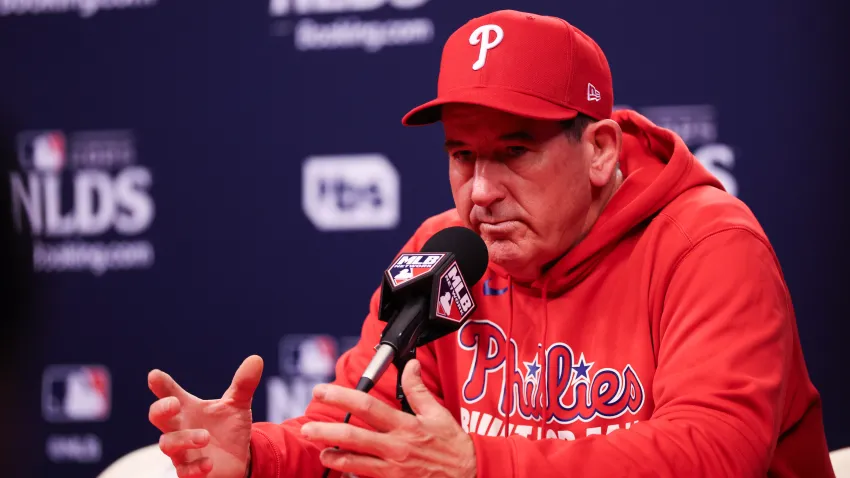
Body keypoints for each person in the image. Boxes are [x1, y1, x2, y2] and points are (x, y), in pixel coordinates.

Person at [146, 9, 835, 478]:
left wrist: (478, 465)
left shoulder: (708, 245)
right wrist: (256, 454)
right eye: (462, 156)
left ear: (598, 150)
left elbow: (714, 456)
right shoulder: (445, 251)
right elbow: (360, 424)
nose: (480, 191)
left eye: (514, 151)